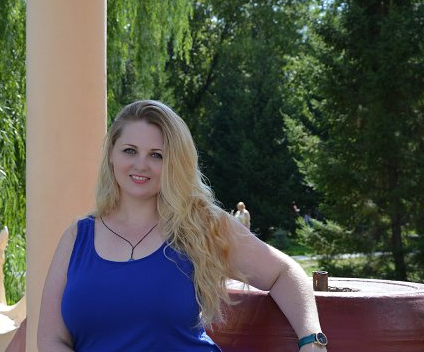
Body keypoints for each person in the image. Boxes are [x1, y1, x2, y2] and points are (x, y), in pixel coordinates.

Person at [38, 100, 328, 352]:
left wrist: (312, 341)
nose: (141, 165)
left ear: (174, 162)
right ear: (112, 154)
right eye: (129, 150)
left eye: (157, 155)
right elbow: (51, 339)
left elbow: (283, 273)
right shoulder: (76, 238)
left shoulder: (200, 225)